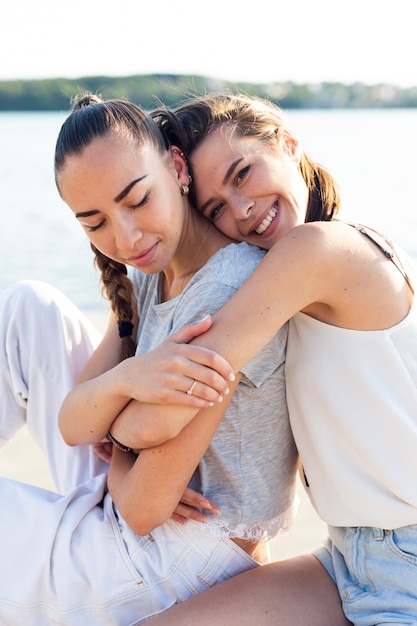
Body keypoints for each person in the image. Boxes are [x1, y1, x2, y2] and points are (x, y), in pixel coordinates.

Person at [0, 93, 298, 625]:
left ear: (177, 167)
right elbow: (72, 424)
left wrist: (111, 429)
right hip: (135, 518)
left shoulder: (224, 292)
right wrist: (132, 377)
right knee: (29, 306)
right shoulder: (149, 272)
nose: (127, 237)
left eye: (137, 200)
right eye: (95, 224)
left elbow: (141, 509)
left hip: (173, 563)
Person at [134, 92, 417, 625]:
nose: (240, 209)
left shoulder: (316, 250)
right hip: (344, 560)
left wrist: (111, 417)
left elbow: (167, 409)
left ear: (287, 143)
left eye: (242, 174)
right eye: (215, 207)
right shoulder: (288, 273)